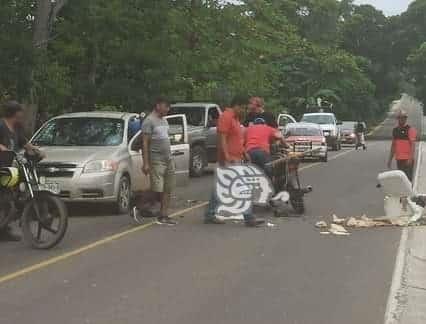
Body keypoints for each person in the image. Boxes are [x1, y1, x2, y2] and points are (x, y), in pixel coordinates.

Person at [205, 94, 265, 227]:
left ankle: (209, 214)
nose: (245, 111)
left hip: (235, 157)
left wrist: (243, 152)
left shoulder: (235, 119)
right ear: (236, 105)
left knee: (220, 188)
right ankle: (249, 217)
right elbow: (222, 139)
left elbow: (237, 139)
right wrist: (226, 156)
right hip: (230, 159)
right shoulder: (226, 117)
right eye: (243, 108)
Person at [131, 98, 177, 225]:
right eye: (165, 106)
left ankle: (163, 215)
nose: (167, 109)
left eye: (168, 107)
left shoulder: (164, 121)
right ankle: (138, 205)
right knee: (157, 189)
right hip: (156, 159)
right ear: (158, 106)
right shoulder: (149, 121)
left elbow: (166, 140)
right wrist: (145, 163)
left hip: (168, 158)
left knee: (168, 188)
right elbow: (145, 143)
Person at [0, 101, 40, 242]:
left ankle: (5, 227)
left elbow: (24, 142)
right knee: (4, 197)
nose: (22, 113)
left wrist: (35, 149)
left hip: (12, 166)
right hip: (2, 166)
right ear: (14, 112)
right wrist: (3, 148)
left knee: (16, 192)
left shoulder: (17, 127)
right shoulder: (1, 125)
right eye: (20, 111)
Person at [387, 110, 417, 181]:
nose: (402, 119)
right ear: (398, 119)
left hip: (407, 159)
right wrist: (390, 159)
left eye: (404, 118)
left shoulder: (410, 130)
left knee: (408, 180)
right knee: (401, 180)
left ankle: (409, 192)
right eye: (400, 118)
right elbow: (393, 145)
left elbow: (413, 145)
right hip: (399, 159)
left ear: (406, 119)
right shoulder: (395, 130)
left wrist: (410, 158)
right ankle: (403, 192)